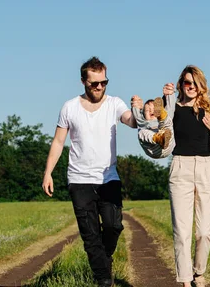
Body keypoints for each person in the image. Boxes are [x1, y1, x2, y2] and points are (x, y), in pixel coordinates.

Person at [42, 56, 137, 287]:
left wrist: (141, 111)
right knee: (90, 235)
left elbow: (132, 121)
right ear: (83, 81)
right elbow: (58, 142)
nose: (100, 87)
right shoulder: (69, 107)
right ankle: (104, 280)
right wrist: (48, 173)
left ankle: (104, 260)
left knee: (114, 225)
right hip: (79, 180)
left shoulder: (115, 103)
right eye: (95, 83)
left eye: (104, 82)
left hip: (109, 178)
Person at [133, 65, 210, 287]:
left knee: (205, 230)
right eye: (186, 83)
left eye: (194, 83)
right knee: (182, 231)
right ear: (180, 85)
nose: (190, 87)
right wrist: (165, 97)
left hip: (205, 168)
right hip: (180, 167)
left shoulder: (207, 112)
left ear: (201, 86)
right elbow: (161, 121)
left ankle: (199, 272)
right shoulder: (173, 109)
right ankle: (185, 279)